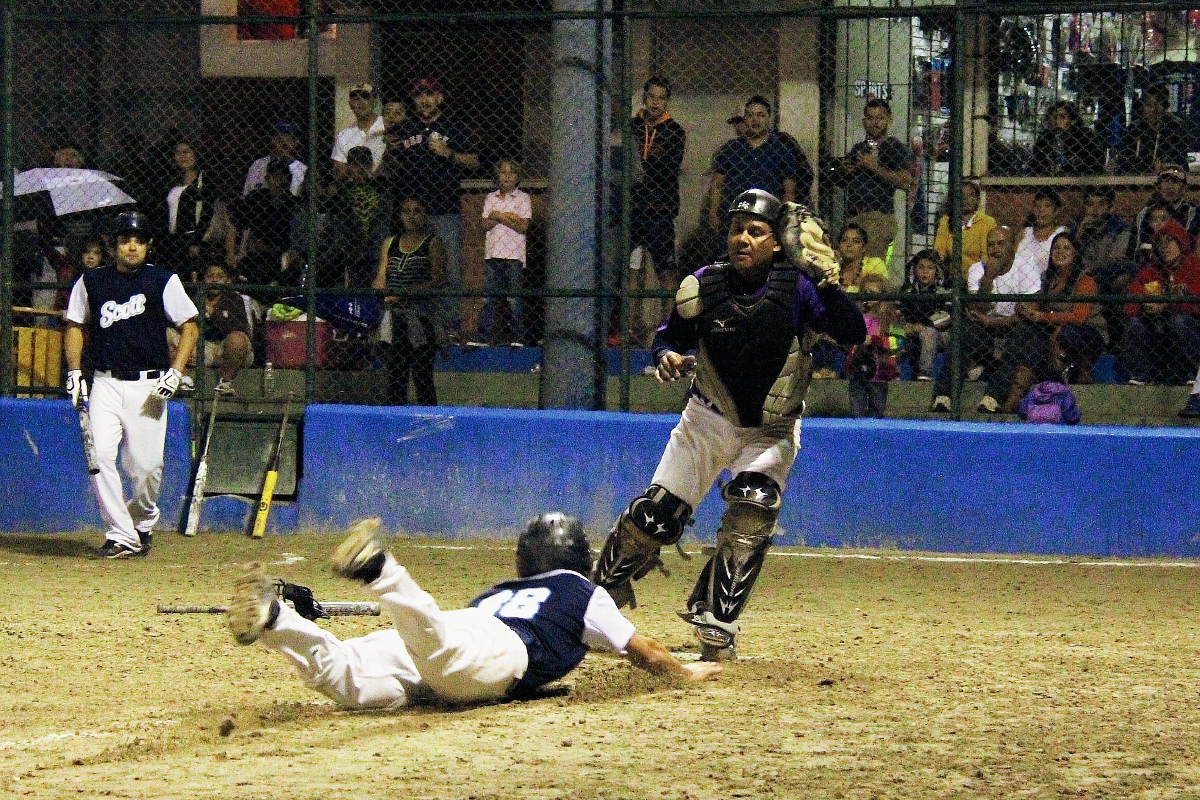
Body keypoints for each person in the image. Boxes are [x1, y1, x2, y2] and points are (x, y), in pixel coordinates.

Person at [591, 190, 865, 661]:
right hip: (707, 420)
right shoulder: (703, 285)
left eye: (756, 231)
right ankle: (599, 593)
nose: (743, 237)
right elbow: (666, 339)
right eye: (737, 228)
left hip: (770, 429)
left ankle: (716, 619)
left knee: (752, 508)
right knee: (653, 518)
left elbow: (854, 334)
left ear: (778, 242)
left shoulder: (799, 288)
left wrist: (828, 285)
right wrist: (666, 357)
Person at [225, 514, 722, 709]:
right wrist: (685, 671)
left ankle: (276, 620)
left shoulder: (500, 590)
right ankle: (382, 571)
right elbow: (644, 651)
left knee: (353, 682)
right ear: (575, 557)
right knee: (437, 647)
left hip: (461, 634)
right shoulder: (580, 589)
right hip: (491, 656)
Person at [62, 211, 199, 559]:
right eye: (125, 240)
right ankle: (120, 534)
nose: (132, 246)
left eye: (138, 240)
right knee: (100, 457)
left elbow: (190, 326)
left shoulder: (163, 281)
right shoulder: (92, 281)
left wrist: (175, 370)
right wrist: (75, 371)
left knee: (146, 468)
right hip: (105, 383)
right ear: (114, 246)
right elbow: (75, 324)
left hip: (149, 387)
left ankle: (143, 522)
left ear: (148, 245)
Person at [388, 77, 480, 341]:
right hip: (411, 214)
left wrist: (448, 153)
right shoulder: (407, 129)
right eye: (419, 96)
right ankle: (416, 328)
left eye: (429, 95)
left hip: (444, 209)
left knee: (448, 270)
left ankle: (448, 328)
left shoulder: (455, 127)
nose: (424, 100)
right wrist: (390, 154)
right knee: (414, 270)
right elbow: (393, 166)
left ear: (440, 98)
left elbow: (474, 161)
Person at [929, 225, 1020, 413]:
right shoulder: (978, 269)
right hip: (984, 330)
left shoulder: (1025, 267)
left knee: (1024, 335)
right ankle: (944, 395)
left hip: (1012, 327)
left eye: (1001, 244)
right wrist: (989, 277)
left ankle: (993, 398)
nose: (995, 249)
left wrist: (991, 320)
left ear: (1012, 246)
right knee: (966, 329)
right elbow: (977, 309)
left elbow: (1026, 313)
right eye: (991, 244)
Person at [629, 77, 687, 345]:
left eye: (660, 98)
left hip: (660, 210)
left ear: (666, 102)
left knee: (666, 271)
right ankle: (632, 331)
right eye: (651, 96)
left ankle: (668, 331)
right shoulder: (631, 127)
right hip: (633, 210)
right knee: (632, 271)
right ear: (644, 98)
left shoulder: (674, 131)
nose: (655, 102)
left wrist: (642, 167)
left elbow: (666, 168)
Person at [1011, 231, 1108, 388]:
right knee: (1026, 331)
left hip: (1088, 333)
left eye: (1066, 248)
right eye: (1056, 248)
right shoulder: (1049, 279)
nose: (1060, 252)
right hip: (1058, 329)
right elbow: (1035, 301)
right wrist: (1023, 307)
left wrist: (1042, 316)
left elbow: (1078, 317)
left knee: (1068, 333)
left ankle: (1082, 368)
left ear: (1075, 254)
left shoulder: (1085, 279)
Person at [374, 196, 446, 406]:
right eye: (406, 211)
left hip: (420, 316)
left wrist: (403, 293)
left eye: (416, 211)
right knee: (396, 374)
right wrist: (382, 290)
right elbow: (381, 275)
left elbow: (436, 280)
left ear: (424, 215)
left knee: (422, 374)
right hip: (395, 316)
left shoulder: (432, 243)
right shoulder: (390, 243)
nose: (411, 216)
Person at [1121, 220, 1200, 386]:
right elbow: (1130, 304)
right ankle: (1140, 375)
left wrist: (1168, 304)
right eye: (1160, 243)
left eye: (1169, 241)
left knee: (1179, 321)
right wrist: (1145, 305)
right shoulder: (1151, 270)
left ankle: (1195, 373)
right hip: (1157, 325)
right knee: (1135, 324)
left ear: (1181, 242)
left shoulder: (1195, 266)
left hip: (1190, 324)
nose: (1164, 247)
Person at [706, 96, 800, 235]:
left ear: (769, 118)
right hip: (734, 219)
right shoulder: (731, 149)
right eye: (750, 115)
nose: (755, 120)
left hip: (767, 218)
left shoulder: (782, 151)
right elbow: (717, 185)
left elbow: (789, 192)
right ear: (745, 119)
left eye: (760, 115)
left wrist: (784, 218)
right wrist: (713, 213)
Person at [840, 98, 915, 270]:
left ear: (889, 120)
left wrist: (874, 167)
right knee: (851, 267)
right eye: (870, 118)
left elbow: (905, 182)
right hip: (854, 216)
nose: (875, 122)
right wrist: (845, 170)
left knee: (873, 267)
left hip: (878, 217)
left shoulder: (894, 146)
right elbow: (843, 180)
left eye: (880, 118)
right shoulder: (859, 148)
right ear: (864, 122)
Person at [169, 263, 253, 396]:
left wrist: (212, 313)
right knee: (166, 334)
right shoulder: (194, 297)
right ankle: (185, 379)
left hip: (225, 349)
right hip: (201, 347)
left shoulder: (234, 298)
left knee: (237, 339)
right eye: (210, 276)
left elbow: (237, 329)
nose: (214, 279)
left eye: (219, 276)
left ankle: (225, 382)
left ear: (227, 280)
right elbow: (181, 325)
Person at [480, 159, 531, 347]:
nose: (507, 176)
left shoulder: (523, 198)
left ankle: (518, 337)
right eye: (503, 172)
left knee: (514, 298)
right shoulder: (490, 198)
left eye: (512, 173)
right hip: (492, 254)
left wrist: (497, 215)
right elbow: (484, 224)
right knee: (489, 297)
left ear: (518, 177)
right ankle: (484, 336)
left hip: (514, 256)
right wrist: (508, 218)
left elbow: (523, 226)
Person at [227, 159, 300, 288]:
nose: (280, 181)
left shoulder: (293, 204)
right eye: (275, 176)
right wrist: (231, 254)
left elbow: (294, 243)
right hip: (256, 257)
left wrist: (268, 248)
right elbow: (235, 225)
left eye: (283, 177)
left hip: (282, 256)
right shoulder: (257, 198)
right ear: (267, 178)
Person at [847, 274, 903, 418]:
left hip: (880, 371)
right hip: (858, 369)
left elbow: (898, 342)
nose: (868, 297)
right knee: (857, 406)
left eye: (873, 293)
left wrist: (874, 340)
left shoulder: (891, 319)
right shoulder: (858, 317)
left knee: (877, 407)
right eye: (865, 292)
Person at [158, 139, 216, 275]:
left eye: (186, 152)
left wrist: (197, 241)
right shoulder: (171, 181)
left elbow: (207, 211)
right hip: (172, 240)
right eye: (178, 153)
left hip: (193, 239)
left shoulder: (204, 180)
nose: (182, 156)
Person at [1127, 165, 1200, 265]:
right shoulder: (1145, 213)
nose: (1169, 186)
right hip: (1146, 266)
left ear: (1183, 187)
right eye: (1165, 181)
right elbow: (1134, 249)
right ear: (1158, 186)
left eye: (1175, 181)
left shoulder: (1193, 214)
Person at [898, 249, 952, 382]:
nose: (925, 271)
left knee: (928, 333)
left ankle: (925, 373)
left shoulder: (943, 290)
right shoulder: (908, 290)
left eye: (930, 268)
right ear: (915, 270)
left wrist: (922, 326)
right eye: (921, 267)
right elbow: (899, 313)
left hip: (940, 334)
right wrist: (907, 326)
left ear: (937, 271)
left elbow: (945, 317)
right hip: (912, 331)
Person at [1117, 84, 1191, 176]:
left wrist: (1167, 167)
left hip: (1168, 177)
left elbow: (1180, 160)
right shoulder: (1134, 129)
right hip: (1137, 176)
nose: (1152, 110)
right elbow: (1123, 160)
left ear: (1165, 107)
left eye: (1156, 105)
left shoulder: (1176, 126)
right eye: (1148, 105)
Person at [933, 179, 997, 277]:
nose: (966, 199)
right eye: (961, 195)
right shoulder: (946, 221)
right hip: (952, 275)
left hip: (978, 275)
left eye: (971, 195)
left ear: (977, 199)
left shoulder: (987, 222)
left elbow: (986, 257)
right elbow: (939, 252)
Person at [1028, 100, 1106, 177]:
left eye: (1062, 117)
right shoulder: (1045, 137)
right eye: (1054, 117)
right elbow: (1034, 164)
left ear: (1073, 120)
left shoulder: (1086, 135)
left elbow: (1098, 162)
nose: (1057, 121)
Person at [242, 119, 307, 197]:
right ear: (272, 140)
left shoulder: (302, 168)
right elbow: (247, 194)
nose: (284, 142)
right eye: (279, 138)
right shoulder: (258, 164)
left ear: (295, 142)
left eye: (290, 139)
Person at [332, 82, 385, 177]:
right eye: (355, 98)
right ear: (350, 104)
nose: (360, 101)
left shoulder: (386, 125)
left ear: (374, 101)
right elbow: (340, 171)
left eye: (365, 97)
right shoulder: (344, 136)